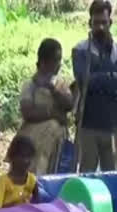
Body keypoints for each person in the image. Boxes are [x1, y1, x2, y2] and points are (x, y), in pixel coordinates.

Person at [72, 0, 117, 172]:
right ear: (90, 23)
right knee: (87, 172)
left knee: (113, 173)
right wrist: (112, 78)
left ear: (110, 23)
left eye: (104, 23)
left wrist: (99, 77)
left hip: (113, 124)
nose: (100, 27)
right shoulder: (80, 50)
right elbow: (83, 81)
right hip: (88, 123)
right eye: (96, 23)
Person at [18, 38, 74, 175]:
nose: (59, 64)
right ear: (44, 62)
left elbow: (69, 104)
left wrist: (53, 89)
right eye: (56, 60)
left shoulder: (60, 84)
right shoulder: (30, 86)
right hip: (34, 141)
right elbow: (27, 112)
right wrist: (53, 114)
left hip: (56, 142)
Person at [0, 135, 39, 209]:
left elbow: (37, 205)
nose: (27, 161)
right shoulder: (3, 182)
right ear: (12, 157)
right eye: (23, 156)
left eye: (29, 156)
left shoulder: (32, 180)